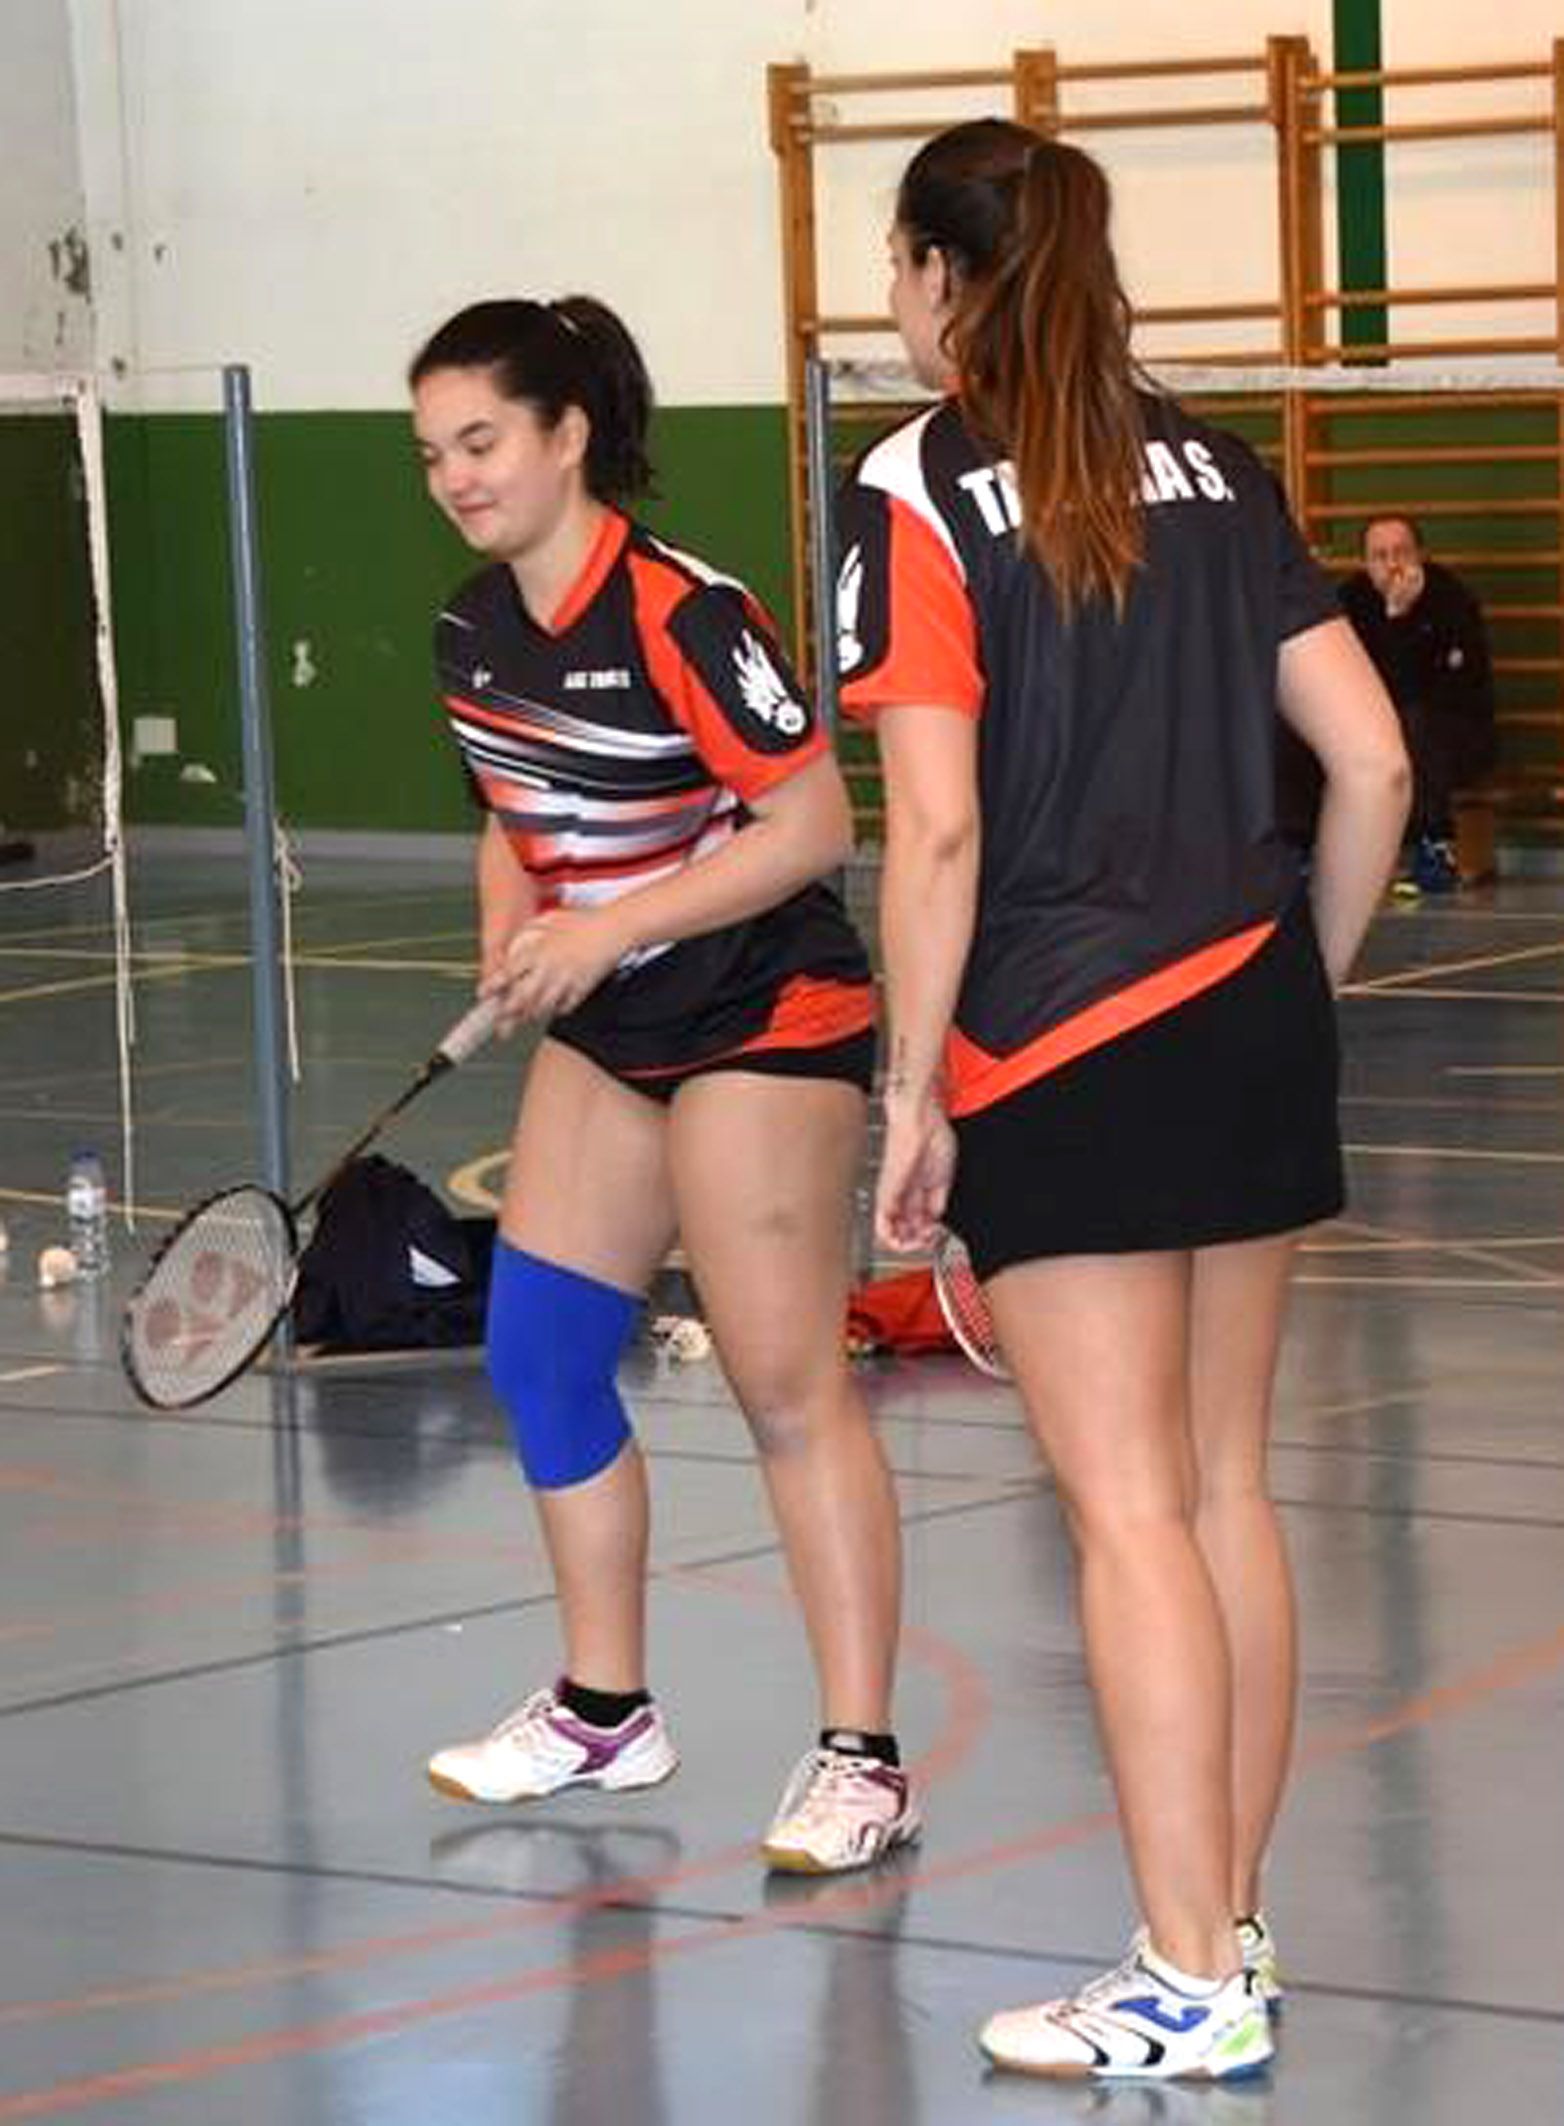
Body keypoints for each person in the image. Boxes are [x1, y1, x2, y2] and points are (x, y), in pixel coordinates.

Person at [836, 121, 1409, 2077]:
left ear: (935, 275)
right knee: (1226, 1492)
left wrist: (907, 1097)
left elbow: (929, 829)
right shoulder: (1223, 465)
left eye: (895, 265)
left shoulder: (911, 482)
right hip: (1246, 1013)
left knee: (1127, 1514)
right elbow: (1374, 767)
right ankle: (1221, 1927)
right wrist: (1285, 992)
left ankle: (1182, 1969)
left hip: (1060, 1042)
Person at [409, 296, 916, 1874]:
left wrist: (610, 925)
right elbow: (517, 804)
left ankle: (861, 1756)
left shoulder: (686, 613)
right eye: (430, 454)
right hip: (612, 1020)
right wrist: (516, 938)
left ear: (567, 434)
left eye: (480, 442)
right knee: (541, 1351)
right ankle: (605, 1707)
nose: (455, 477)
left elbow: (812, 821)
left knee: (783, 1380)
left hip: (765, 1001)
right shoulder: (470, 629)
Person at [1339, 514, 1497, 892]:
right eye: (1380, 555)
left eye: (1401, 552)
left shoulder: (1452, 600)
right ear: (1365, 563)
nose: (1393, 564)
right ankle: (1308, 850)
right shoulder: (1350, 601)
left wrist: (1399, 618)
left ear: (1421, 555)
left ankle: (1434, 845)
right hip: (1372, 727)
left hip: (1453, 732)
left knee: (1418, 721)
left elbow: (1446, 690)